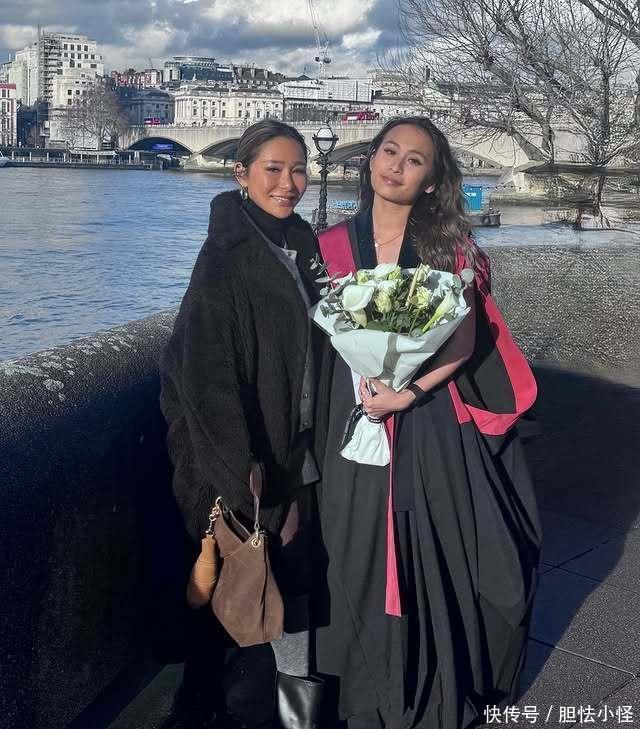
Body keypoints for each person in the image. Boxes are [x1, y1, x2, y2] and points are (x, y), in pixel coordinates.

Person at [313, 116, 542, 729]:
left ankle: (433, 686)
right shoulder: (328, 246)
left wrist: (406, 394)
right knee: (357, 545)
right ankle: (367, 693)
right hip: (350, 414)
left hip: (427, 418)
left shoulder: (450, 249)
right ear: (370, 159)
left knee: (428, 544)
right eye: (389, 151)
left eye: (414, 159)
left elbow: (462, 343)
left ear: (433, 180)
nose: (396, 165)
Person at [159, 120, 324, 729]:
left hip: (292, 450)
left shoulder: (301, 244)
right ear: (242, 174)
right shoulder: (225, 259)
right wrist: (240, 480)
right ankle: (218, 710)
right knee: (236, 595)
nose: (288, 183)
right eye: (273, 169)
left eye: (298, 169)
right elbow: (205, 379)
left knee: (265, 590)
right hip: (240, 465)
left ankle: (239, 706)